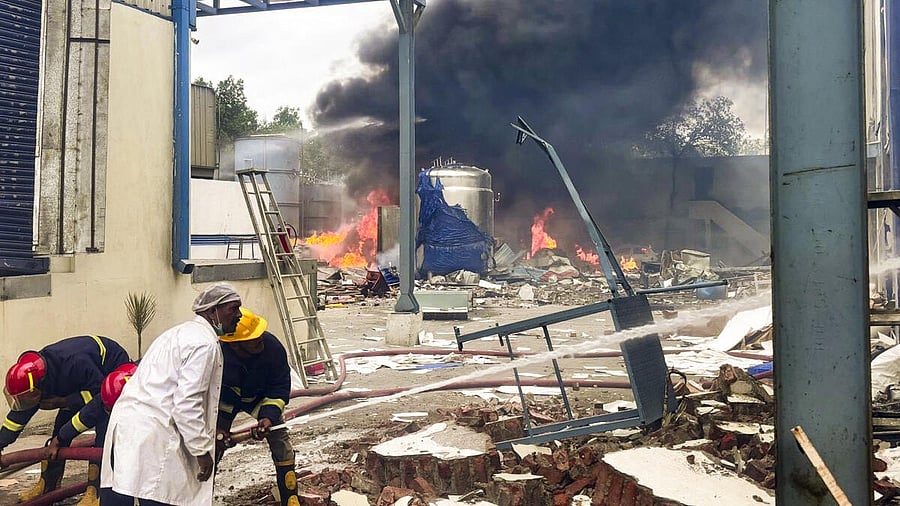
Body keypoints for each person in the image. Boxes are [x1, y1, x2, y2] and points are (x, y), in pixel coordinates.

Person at [100, 283, 242, 506]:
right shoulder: (204, 344)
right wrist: (202, 450)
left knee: (124, 491)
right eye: (233, 309)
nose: (239, 315)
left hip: (130, 425)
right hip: (155, 432)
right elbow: (187, 403)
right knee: (158, 494)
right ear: (212, 311)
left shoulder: (178, 333)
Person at [0, 335, 130, 502]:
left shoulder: (75, 362)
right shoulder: (38, 379)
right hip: (77, 385)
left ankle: (96, 492)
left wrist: (65, 401)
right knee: (58, 436)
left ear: (39, 384)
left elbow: (99, 395)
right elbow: (18, 416)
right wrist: (1, 443)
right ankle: (49, 485)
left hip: (108, 375)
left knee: (102, 436)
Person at [215, 308, 299, 506]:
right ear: (235, 345)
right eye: (253, 337)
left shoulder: (272, 348)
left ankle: (290, 496)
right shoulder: (216, 354)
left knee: (279, 436)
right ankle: (200, 493)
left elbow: (280, 386)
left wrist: (268, 417)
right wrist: (218, 428)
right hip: (224, 399)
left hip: (259, 396)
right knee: (213, 446)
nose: (260, 338)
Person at [48, 362, 137, 506]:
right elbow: (86, 416)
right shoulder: (112, 391)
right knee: (105, 439)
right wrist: (60, 438)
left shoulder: (164, 393)